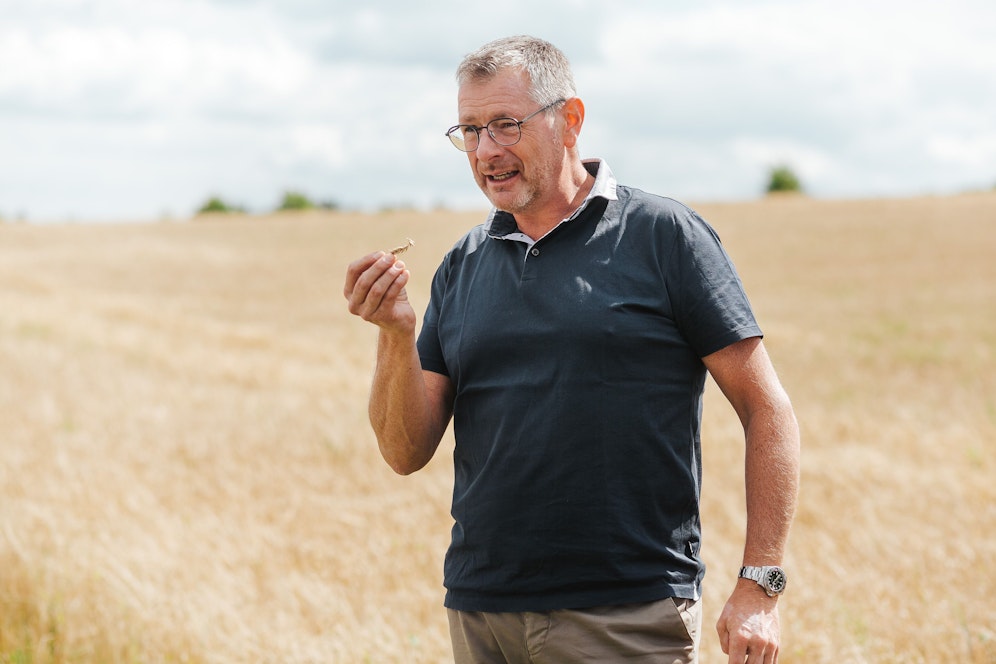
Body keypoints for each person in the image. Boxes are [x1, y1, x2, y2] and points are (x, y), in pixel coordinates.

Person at [344, 35, 800, 664]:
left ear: (571, 119)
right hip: (482, 614)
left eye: (506, 124)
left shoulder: (664, 237)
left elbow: (766, 410)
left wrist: (761, 584)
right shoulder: (461, 266)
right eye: (470, 131)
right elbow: (403, 451)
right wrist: (394, 335)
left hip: (626, 616)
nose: (486, 151)